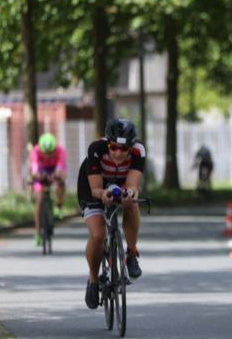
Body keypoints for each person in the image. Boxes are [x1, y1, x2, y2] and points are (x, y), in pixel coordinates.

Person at [76, 118, 146, 309]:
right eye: (114, 147)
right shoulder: (96, 148)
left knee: (132, 204)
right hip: (93, 186)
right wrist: (103, 195)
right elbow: (96, 189)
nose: (118, 153)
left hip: (121, 182)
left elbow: (132, 184)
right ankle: (93, 280)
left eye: (124, 149)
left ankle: (131, 253)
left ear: (131, 147)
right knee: (98, 235)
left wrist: (130, 193)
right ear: (107, 143)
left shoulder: (139, 151)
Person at [30, 132, 67, 246]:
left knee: (60, 184)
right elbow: (34, 170)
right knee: (39, 200)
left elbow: (61, 169)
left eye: (50, 152)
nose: (48, 155)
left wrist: (57, 176)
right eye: (45, 153)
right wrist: (36, 176)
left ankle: (59, 206)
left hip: (54, 170)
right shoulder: (35, 151)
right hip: (41, 171)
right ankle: (37, 232)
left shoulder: (60, 151)